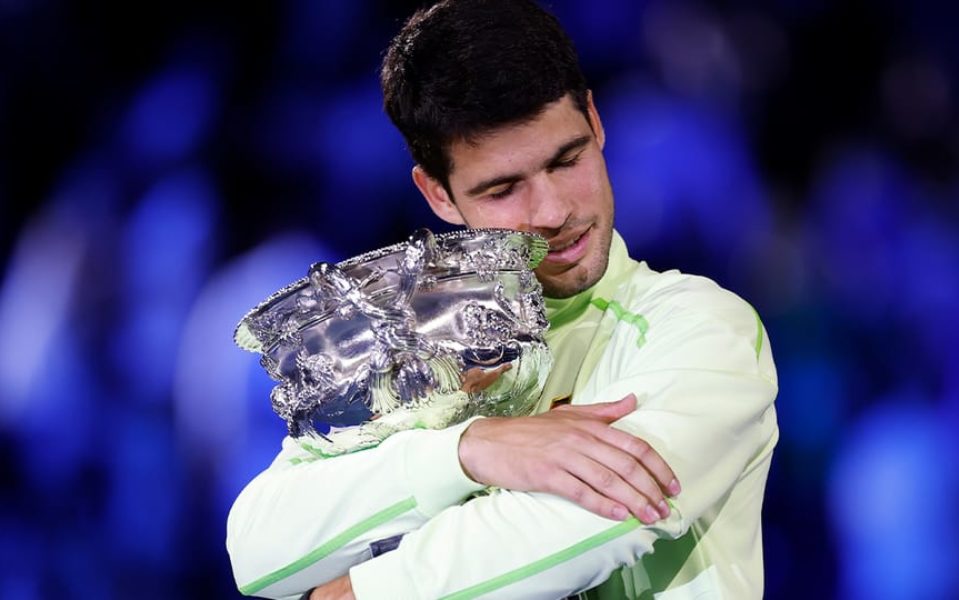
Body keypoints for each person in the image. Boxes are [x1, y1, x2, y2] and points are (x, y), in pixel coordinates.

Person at [226, 1, 779, 598]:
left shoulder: (700, 327)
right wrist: (466, 452)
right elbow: (259, 550)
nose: (554, 212)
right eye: (502, 190)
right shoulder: (409, 343)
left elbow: (608, 520)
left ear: (595, 121)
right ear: (437, 194)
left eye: (566, 160)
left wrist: (362, 592)